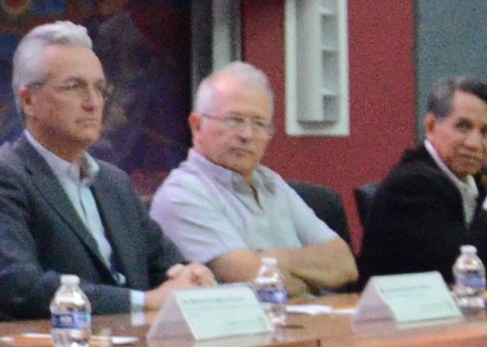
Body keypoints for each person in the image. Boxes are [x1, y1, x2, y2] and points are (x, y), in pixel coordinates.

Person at [0, 21, 216, 321]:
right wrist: (144, 301)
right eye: (74, 87)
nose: (93, 103)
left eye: (100, 88)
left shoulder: (114, 182)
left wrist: (192, 277)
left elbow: (166, 265)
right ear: (29, 100)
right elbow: (18, 287)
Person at [150, 63, 358, 293]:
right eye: (234, 120)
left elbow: (345, 264)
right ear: (197, 126)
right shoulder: (182, 195)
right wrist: (312, 277)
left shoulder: (272, 184)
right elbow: (257, 280)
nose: (247, 135)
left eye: (259, 123)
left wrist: (272, 258)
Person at [359, 75, 487, 286]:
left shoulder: (481, 181)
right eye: (463, 127)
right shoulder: (411, 185)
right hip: (398, 314)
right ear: (431, 127)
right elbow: (458, 271)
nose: (474, 143)